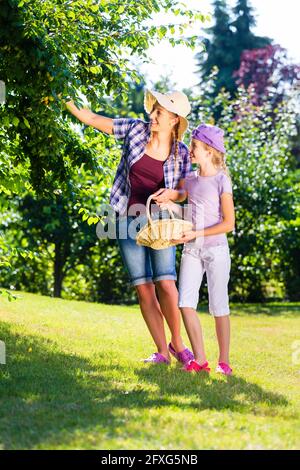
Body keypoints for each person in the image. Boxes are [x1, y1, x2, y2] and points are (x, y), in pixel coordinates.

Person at [64, 89, 194, 365]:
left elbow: (183, 190)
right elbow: (94, 119)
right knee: (143, 287)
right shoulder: (136, 130)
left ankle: (178, 344)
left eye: (160, 113)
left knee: (167, 283)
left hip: (159, 221)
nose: (153, 116)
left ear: (174, 120)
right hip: (126, 219)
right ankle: (161, 351)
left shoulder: (180, 152)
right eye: (154, 110)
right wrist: (67, 101)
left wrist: (172, 195)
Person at [160, 124, 235, 375]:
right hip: (192, 250)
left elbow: (229, 223)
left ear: (209, 151)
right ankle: (200, 359)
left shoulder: (222, 181)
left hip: (216, 251)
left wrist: (197, 233)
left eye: (194, 147)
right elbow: (185, 205)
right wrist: (168, 199)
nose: (189, 151)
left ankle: (223, 361)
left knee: (218, 306)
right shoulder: (190, 179)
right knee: (185, 303)